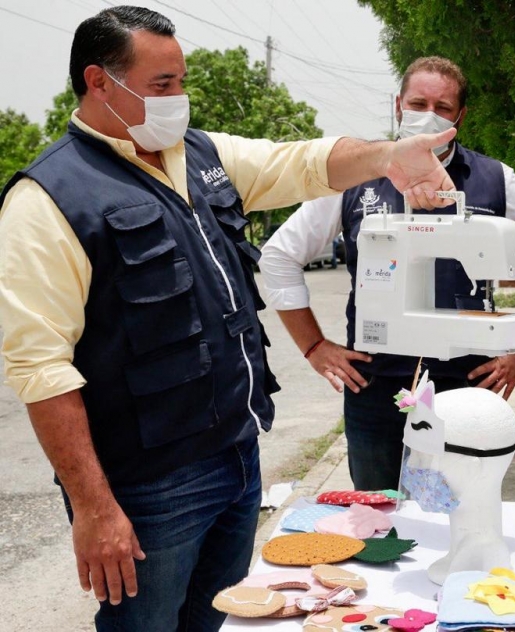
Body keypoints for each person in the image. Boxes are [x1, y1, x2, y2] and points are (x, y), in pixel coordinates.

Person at [0, 7, 459, 632]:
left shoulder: (199, 155)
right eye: (162, 86)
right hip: (149, 489)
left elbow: (306, 163)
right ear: (99, 82)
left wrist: (388, 157)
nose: (179, 99)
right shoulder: (50, 201)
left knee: (215, 621)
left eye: (181, 81)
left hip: (237, 460)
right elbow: (40, 369)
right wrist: (93, 508)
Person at [261, 56, 515, 491]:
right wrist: (313, 345)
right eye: (418, 102)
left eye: (443, 107)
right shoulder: (357, 177)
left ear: (460, 116)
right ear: (398, 105)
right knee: (377, 514)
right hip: (374, 384)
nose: (429, 114)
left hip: (467, 382)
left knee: (462, 509)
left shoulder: (495, 180)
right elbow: (279, 255)